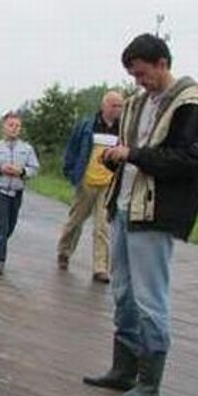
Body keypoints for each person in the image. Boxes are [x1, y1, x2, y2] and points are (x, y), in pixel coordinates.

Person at [84, 34, 198, 396]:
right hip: (125, 205)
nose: (139, 81)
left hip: (156, 212)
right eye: (134, 76)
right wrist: (116, 156)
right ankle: (123, 369)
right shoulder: (136, 104)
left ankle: (149, 383)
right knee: (123, 292)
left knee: (149, 299)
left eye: (143, 74)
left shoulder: (190, 104)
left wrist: (133, 154)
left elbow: (191, 160)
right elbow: (131, 151)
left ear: (162, 64)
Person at [56, 91, 124, 281]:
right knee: (76, 220)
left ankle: (100, 268)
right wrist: (70, 171)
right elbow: (72, 149)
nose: (117, 109)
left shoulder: (123, 128)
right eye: (114, 105)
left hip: (109, 183)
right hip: (86, 180)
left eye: (120, 106)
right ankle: (64, 251)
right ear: (104, 106)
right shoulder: (87, 125)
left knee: (102, 226)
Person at [0, 112, 40, 275]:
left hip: (17, 192)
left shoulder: (27, 149)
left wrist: (22, 172)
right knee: (1, 224)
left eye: (17, 126)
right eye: (11, 125)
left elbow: (34, 169)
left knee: (10, 226)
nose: (14, 128)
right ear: (4, 127)